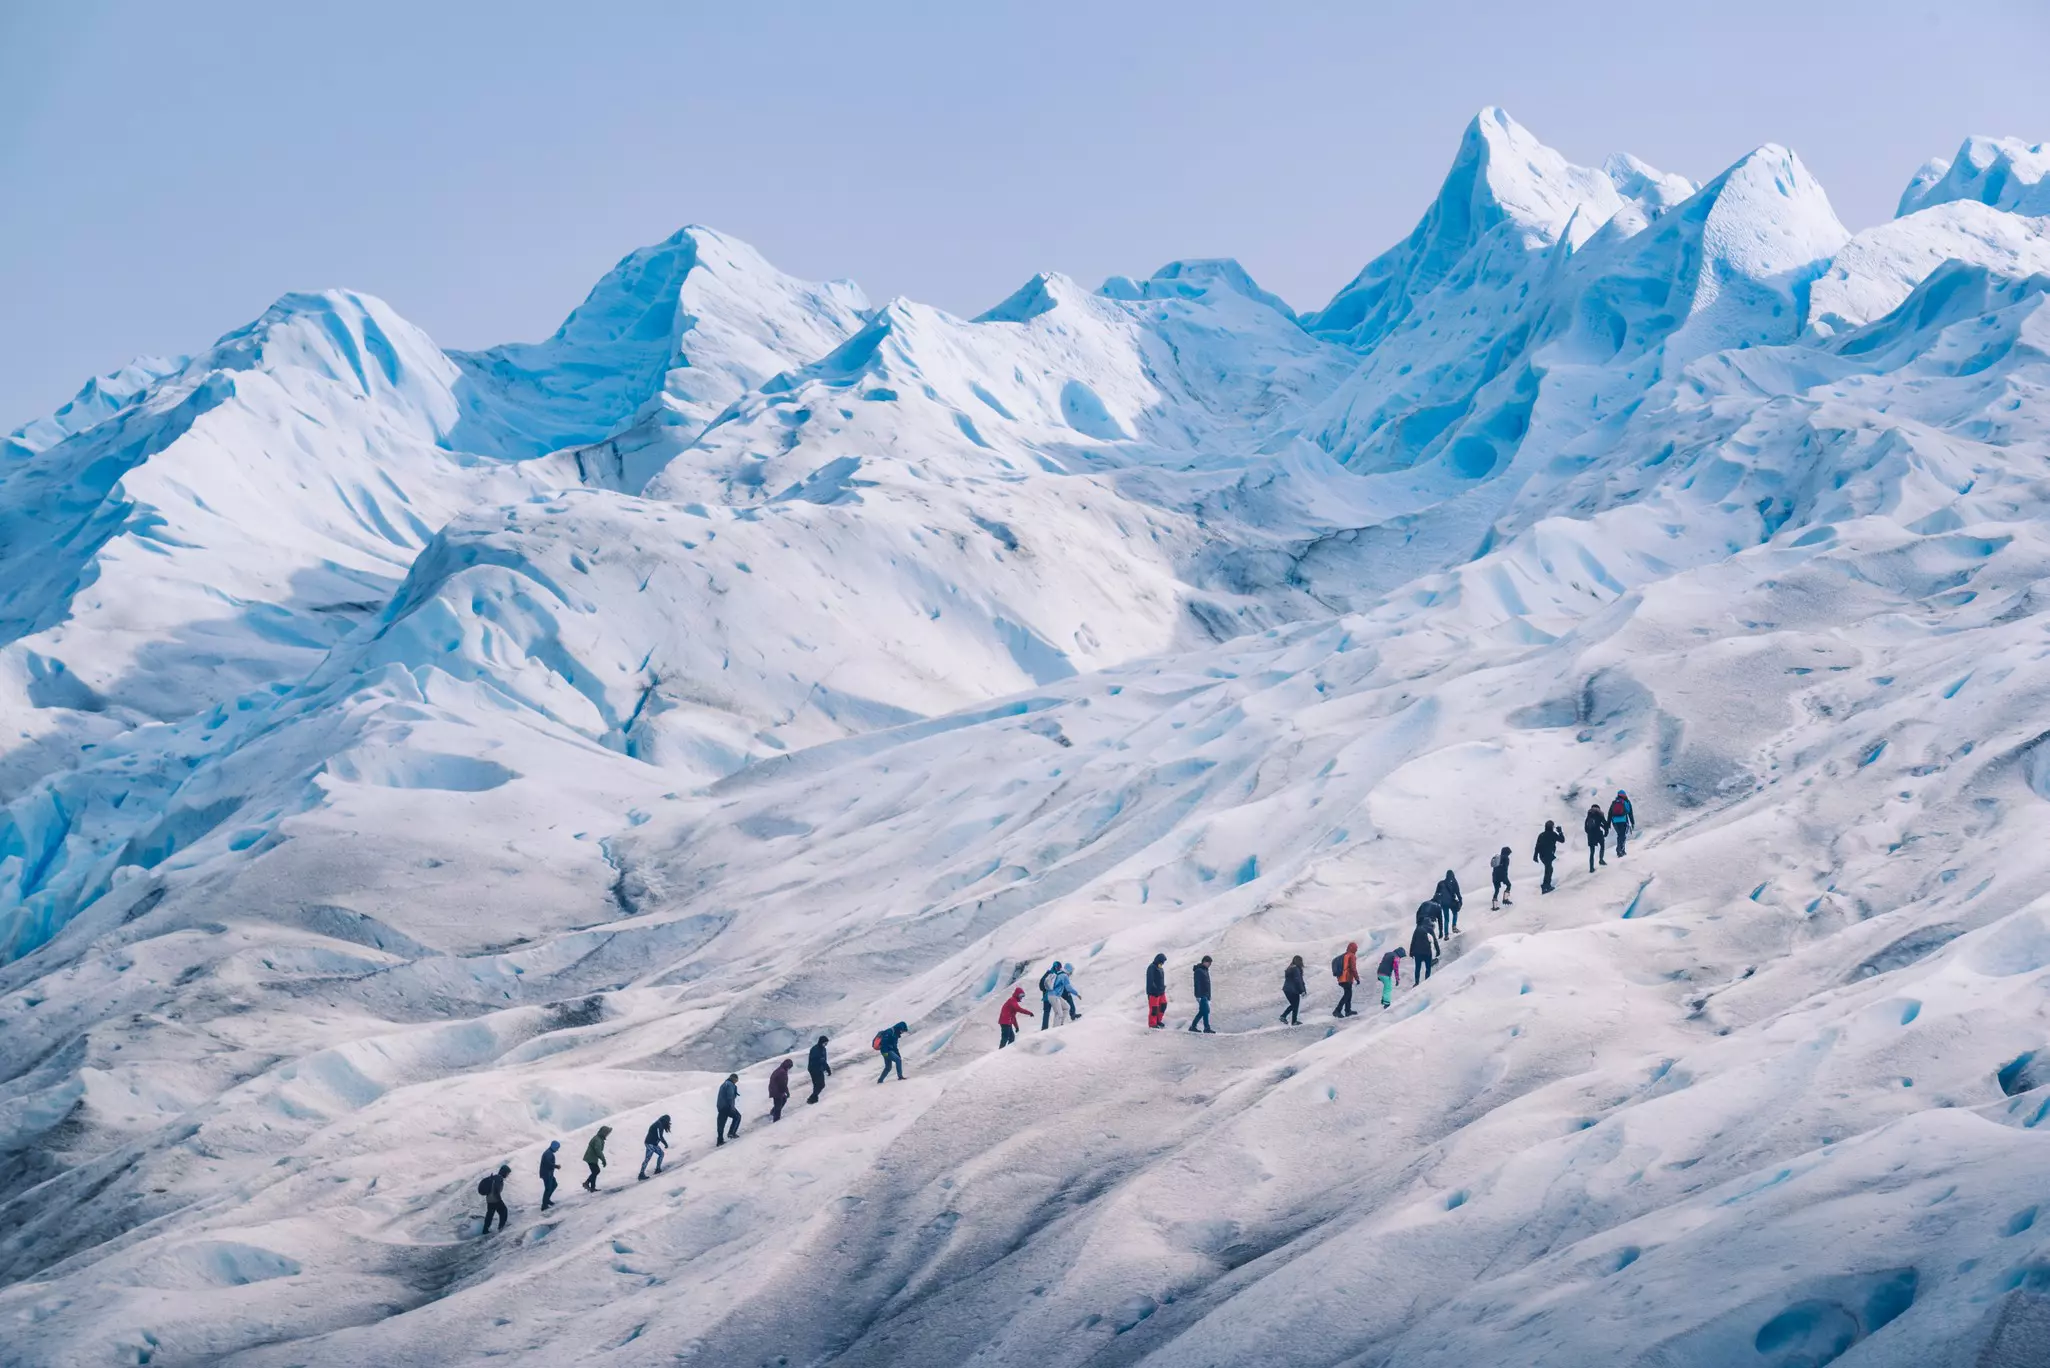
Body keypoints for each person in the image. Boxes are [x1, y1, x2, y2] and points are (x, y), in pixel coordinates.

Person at [478, 1163, 511, 1235]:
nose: (508, 1175)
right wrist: (499, 1199)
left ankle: (485, 1230)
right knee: (504, 1211)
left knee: (490, 1214)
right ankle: (501, 1228)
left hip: (489, 1199)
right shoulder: (499, 1178)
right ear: (504, 1172)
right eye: (508, 1173)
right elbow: (496, 1189)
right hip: (495, 1199)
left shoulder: (495, 1177)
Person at [638, 1114, 671, 1180]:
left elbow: (658, 1136)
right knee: (647, 1158)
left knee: (661, 1154)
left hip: (653, 1144)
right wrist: (665, 1144)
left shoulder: (659, 1124)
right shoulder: (659, 1124)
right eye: (668, 1121)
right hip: (650, 1143)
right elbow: (660, 1136)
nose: (668, 1123)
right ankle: (641, 1174)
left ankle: (657, 1169)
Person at [1334, 941, 1361, 1017]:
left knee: (1348, 994)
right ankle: (1337, 1010)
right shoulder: (1351, 955)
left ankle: (1348, 1010)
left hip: (1341, 978)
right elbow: (1353, 968)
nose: (1356, 950)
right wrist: (1357, 978)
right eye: (1356, 948)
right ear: (1353, 948)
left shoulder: (1345, 955)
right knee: (1347, 994)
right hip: (1347, 978)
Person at [1534, 821, 1562, 894]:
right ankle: (1546, 886)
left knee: (1548, 868)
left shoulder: (1541, 835)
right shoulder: (1553, 834)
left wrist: (1535, 855)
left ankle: (1545, 884)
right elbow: (1562, 840)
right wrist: (1560, 832)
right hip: (1548, 854)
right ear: (1552, 827)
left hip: (1542, 855)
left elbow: (1537, 846)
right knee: (1549, 869)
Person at [1189, 955, 1214, 1033]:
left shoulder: (1205, 970)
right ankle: (1206, 1028)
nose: (1210, 965)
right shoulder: (1198, 971)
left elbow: (1208, 984)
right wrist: (1198, 996)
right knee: (1205, 1011)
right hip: (1201, 995)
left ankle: (1193, 1026)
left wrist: (1209, 996)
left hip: (1205, 995)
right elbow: (1197, 984)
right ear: (1204, 962)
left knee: (1203, 1011)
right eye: (1209, 963)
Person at [1433, 870, 1464, 935]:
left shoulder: (1440, 883)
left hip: (1443, 903)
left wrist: (1436, 903)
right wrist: (1460, 901)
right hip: (1451, 902)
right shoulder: (1454, 882)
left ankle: (1446, 934)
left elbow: (1436, 894)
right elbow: (1458, 893)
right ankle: (1454, 926)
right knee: (1455, 913)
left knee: (1446, 918)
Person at [581, 1125, 610, 1191]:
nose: (607, 1135)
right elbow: (598, 1150)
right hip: (590, 1158)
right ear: (603, 1133)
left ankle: (592, 1188)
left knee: (595, 1171)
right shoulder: (597, 1139)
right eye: (607, 1133)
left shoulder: (599, 1138)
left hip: (592, 1158)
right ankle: (587, 1183)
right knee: (596, 1171)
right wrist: (603, 1160)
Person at [716, 1074, 742, 1144]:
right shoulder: (730, 1085)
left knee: (721, 1123)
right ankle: (732, 1133)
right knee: (737, 1117)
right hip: (727, 1106)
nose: (736, 1081)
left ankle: (720, 1140)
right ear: (734, 1079)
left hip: (720, 1106)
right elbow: (730, 1097)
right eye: (736, 1080)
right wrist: (732, 1107)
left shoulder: (724, 1084)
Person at [806, 1035, 832, 1103]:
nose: (826, 1044)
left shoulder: (823, 1049)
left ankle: (814, 1098)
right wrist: (820, 1062)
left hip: (819, 1069)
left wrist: (827, 1069)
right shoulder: (815, 1049)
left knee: (819, 1085)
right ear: (821, 1042)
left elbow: (824, 1061)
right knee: (820, 1084)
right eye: (825, 1043)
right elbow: (815, 1060)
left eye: (826, 1043)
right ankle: (812, 1098)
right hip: (814, 1069)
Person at [1584, 802, 1610, 872]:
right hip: (1598, 834)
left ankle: (1591, 868)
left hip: (1590, 835)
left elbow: (1585, 827)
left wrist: (1589, 834)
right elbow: (1605, 824)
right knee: (1602, 845)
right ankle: (1601, 860)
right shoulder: (1600, 813)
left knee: (1592, 852)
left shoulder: (1589, 815)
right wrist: (1606, 832)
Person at [1145, 953, 1169, 1028]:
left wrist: (1162, 987)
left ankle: (1158, 1020)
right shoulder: (1151, 967)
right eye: (1162, 961)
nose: (1163, 963)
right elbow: (1150, 980)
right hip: (1154, 993)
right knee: (1154, 1009)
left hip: (1161, 991)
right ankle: (1152, 1024)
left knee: (1163, 1005)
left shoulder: (1160, 967)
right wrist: (1154, 989)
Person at [1280, 954, 1305, 1024]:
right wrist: (1302, 990)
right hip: (1293, 990)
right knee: (1295, 1005)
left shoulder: (1290, 968)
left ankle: (1292, 1020)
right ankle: (1284, 1017)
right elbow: (1298, 980)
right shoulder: (1296, 968)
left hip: (1286, 989)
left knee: (1294, 1004)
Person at [1609, 790, 1635, 857]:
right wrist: (1632, 823)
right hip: (1623, 821)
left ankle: (1621, 850)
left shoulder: (1614, 803)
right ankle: (1620, 850)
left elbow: (1610, 813)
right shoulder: (1626, 802)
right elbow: (1630, 813)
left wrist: (1608, 823)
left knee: (1619, 835)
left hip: (1615, 822)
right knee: (1622, 836)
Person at [1038, 960, 1062, 1031]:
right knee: (1058, 1011)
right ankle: (1057, 1026)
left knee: (1046, 1012)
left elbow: (1041, 985)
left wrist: (1045, 991)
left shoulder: (1047, 973)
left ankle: (1044, 1028)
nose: (1059, 969)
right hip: (1052, 997)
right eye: (1059, 967)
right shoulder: (1054, 975)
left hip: (1046, 997)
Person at [538, 1140, 561, 1210]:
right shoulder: (548, 1154)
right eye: (557, 1148)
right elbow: (548, 1164)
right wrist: (556, 1166)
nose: (557, 1150)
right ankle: (544, 1205)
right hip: (546, 1174)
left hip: (548, 1173)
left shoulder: (549, 1152)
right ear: (554, 1147)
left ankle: (547, 1200)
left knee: (554, 1185)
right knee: (548, 1188)